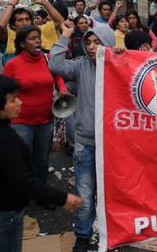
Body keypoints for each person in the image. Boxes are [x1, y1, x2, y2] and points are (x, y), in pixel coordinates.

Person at [0, 76, 82, 252]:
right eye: (13, 100)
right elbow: (22, 180)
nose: (20, 102)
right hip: (2, 211)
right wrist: (62, 198)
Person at [49, 22, 115, 252]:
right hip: (86, 143)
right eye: (88, 42)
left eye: (97, 42)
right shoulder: (80, 65)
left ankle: (114, 231)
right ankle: (83, 235)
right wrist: (65, 35)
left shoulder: (119, 65)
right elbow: (55, 64)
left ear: (108, 43)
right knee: (85, 194)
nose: (91, 46)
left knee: (114, 194)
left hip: (114, 146)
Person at [2, 25, 68, 190]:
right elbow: (1, 89)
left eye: (38, 37)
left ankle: (40, 192)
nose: (37, 41)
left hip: (46, 120)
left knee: (42, 160)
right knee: (23, 161)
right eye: (32, 38)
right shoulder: (13, 65)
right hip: (21, 123)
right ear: (22, 44)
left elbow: (57, 75)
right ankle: (23, 192)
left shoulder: (47, 59)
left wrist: (62, 88)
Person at [0, 0, 65, 65]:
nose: (25, 23)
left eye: (27, 19)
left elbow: (59, 21)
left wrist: (44, 2)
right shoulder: (9, 36)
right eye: (20, 20)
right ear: (13, 25)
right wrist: (12, 4)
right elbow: (1, 25)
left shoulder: (39, 31)